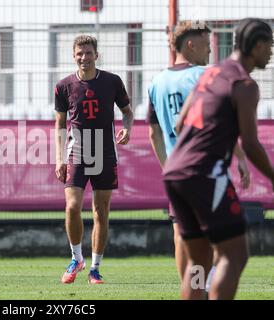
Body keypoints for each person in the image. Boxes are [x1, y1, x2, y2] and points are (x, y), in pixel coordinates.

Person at [163, 18, 274, 299]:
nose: (271, 53)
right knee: (234, 254)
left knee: (198, 260)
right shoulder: (245, 85)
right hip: (204, 174)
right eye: (270, 46)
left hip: (175, 171)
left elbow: (180, 124)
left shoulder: (210, 73)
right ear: (258, 45)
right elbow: (250, 144)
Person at [147, 21, 250, 288]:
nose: (210, 49)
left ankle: (193, 288)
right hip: (204, 168)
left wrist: (167, 166)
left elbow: (153, 134)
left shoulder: (157, 81)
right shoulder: (203, 76)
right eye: (206, 43)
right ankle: (206, 287)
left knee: (183, 235)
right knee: (225, 239)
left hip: (176, 171)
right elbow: (215, 121)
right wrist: (240, 156)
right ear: (190, 44)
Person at [54, 35, 134, 284]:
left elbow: (127, 112)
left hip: (105, 151)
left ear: (96, 55)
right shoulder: (64, 85)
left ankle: (95, 269)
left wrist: (127, 128)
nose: (84, 57)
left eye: (88, 53)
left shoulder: (112, 81)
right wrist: (59, 159)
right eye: (79, 53)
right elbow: (59, 124)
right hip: (77, 151)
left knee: (101, 211)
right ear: (73, 56)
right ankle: (76, 258)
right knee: (72, 206)